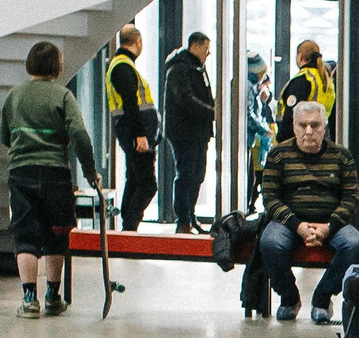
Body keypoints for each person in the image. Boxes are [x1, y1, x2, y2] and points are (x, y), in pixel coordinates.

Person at [2, 42, 101, 318]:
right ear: (57, 66)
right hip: (56, 171)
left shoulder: (14, 96)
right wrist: (91, 172)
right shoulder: (63, 95)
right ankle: (53, 297)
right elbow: (79, 135)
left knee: (25, 236)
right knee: (57, 232)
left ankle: (29, 301)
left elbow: (5, 135)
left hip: (21, 171)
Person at [254, 100, 359, 323]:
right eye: (302, 125)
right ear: (294, 126)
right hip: (289, 223)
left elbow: (351, 198)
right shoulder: (278, 155)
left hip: (331, 223)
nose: (308, 131)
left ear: (324, 127)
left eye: (315, 125)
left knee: (354, 244)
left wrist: (329, 227)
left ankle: (322, 298)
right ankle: (289, 298)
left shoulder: (342, 156)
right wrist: (298, 225)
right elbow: (270, 198)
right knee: (270, 243)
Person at [103, 25, 158, 233]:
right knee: (147, 185)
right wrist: (140, 135)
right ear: (137, 41)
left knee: (135, 180)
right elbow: (130, 103)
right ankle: (130, 227)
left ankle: (128, 228)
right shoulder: (123, 67)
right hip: (135, 133)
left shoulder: (121, 65)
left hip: (131, 132)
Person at [162, 31, 216, 234]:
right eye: (206, 49)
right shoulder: (180, 69)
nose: (208, 53)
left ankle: (190, 216)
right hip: (184, 132)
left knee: (197, 175)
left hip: (198, 132)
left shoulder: (197, 68)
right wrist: (212, 112)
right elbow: (185, 99)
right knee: (185, 175)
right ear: (195, 46)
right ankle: (183, 220)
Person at [278, 40, 338, 142]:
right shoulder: (326, 81)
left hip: (301, 140)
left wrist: (282, 141)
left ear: (300, 56)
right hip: (321, 137)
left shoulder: (303, 79)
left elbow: (291, 116)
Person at [245, 53, 276, 177]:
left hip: (247, 138)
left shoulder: (252, 87)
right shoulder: (248, 86)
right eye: (263, 73)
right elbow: (248, 114)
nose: (264, 77)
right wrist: (263, 130)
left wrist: (262, 101)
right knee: (248, 177)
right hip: (245, 137)